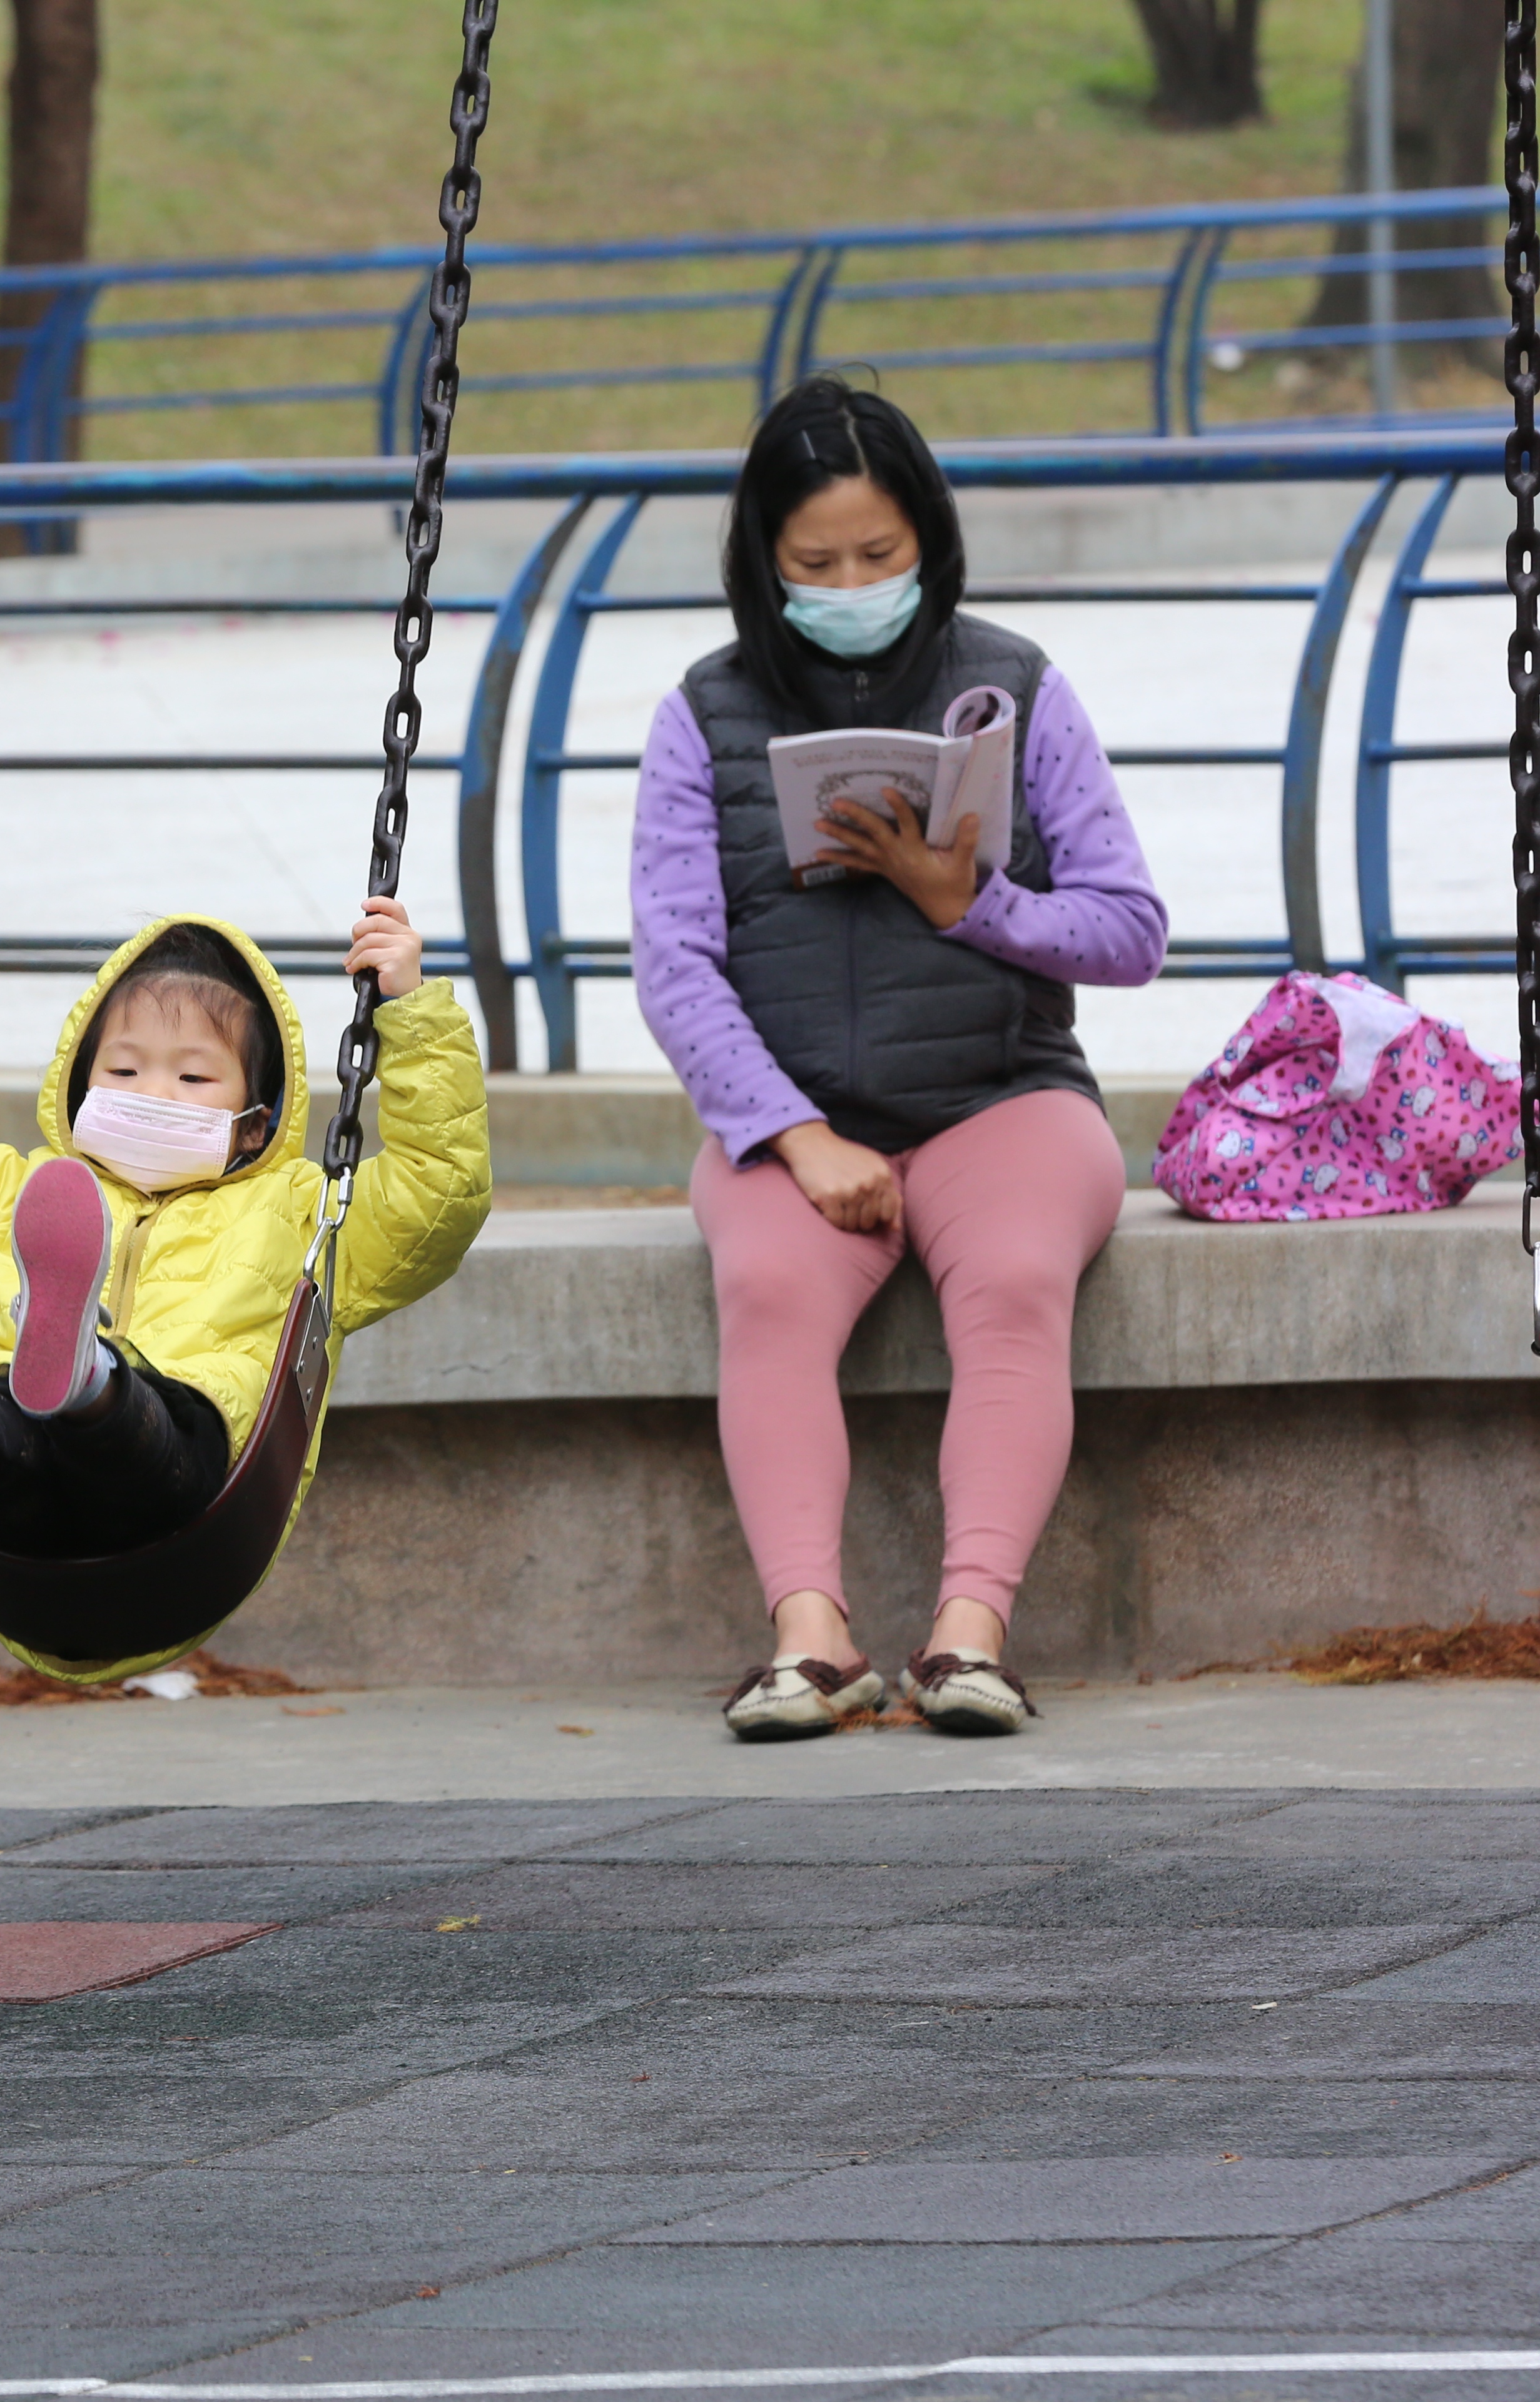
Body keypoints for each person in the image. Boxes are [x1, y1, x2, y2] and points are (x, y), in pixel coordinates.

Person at [630, 377, 1168, 1741]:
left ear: (930, 538)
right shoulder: (702, 717)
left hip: (1006, 1099)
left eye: (882, 556)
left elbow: (1130, 931)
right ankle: (810, 1639)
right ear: (764, 562)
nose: (854, 585)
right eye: (817, 565)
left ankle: (969, 1636)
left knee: (1017, 1283)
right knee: (764, 1289)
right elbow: (674, 961)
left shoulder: (1022, 687)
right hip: (796, 1122)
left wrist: (963, 900)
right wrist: (793, 1136)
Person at [0, 805, 491, 1673]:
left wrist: (411, 1011)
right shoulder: (6, 1190)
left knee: (155, 1432)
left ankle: (82, 1380)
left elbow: (442, 1193)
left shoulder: (303, 1213)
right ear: (80, 1083)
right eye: (124, 1070)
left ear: (257, 1121)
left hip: (187, 1504)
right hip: (9, 1523)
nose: (155, 1092)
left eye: (194, 1075)